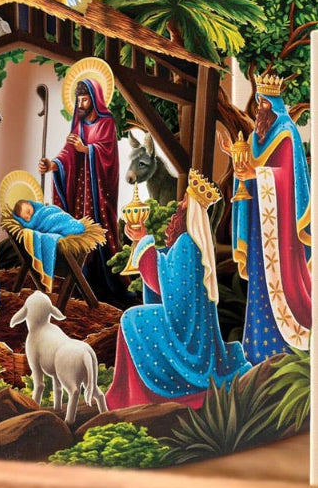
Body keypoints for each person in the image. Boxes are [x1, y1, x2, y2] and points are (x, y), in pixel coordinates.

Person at [106, 170, 250, 409]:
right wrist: (143, 241)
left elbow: (162, 284)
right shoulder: (189, 243)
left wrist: (143, 241)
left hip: (187, 338)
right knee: (133, 318)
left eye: (183, 203)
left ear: (190, 211)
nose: (177, 208)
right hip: (189, 330)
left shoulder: (187, 244)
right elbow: (168, 276)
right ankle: (129, 397)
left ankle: (139, 399)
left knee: (132, 319)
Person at [225, 74, 312, 364]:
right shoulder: (256, 137)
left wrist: (256, 175)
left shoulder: (286, 133)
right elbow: (249, 170)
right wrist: (241, 169)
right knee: (260, 285)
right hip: (258, 222)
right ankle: (257, 352)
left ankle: (282, 353)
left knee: (279, 282)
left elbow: (287, 178)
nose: (259, 108)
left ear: (274, 104)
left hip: (281, 228)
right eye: (259, 102)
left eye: (264, 103)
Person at [39, 70, 125, 303]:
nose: (81, 104)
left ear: (95, 98)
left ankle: (105, 285)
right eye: (78, 100)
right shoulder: (78, 125)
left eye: (84, 99)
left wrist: (87, 150)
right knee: (79, 232)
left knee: (100, 232)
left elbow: (107, 154)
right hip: (80, 193)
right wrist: (53, 165)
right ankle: (79, 281)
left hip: (98, 193)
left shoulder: (107, 123)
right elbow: (68, 153)